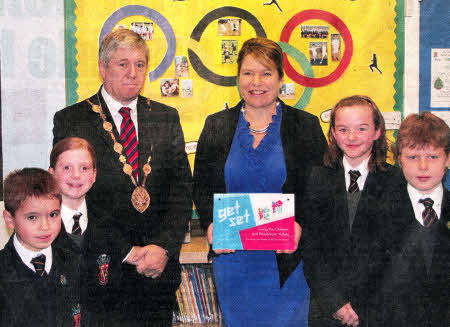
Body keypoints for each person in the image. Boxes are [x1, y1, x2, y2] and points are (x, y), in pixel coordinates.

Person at [52, 28, 192, 326]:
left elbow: (181, 190)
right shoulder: (72, 120)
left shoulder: (166, 117)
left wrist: (164, 248)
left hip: (157, 273)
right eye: (122, 64)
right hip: (101, 271)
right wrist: (127, 251)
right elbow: (73, 197)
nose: (132, 73)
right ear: (103, 68)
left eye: (140, 64)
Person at [193, 37, 327, 327]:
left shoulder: (305, 126)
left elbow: (320, 190)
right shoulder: (216, 125)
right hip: (233, 260)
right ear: (238, 77)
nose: (257, 82)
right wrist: (210, 223)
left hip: (286, 262)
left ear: (280, 78)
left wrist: (300, 224)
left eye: (266, 73)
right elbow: (201, 185)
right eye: (248, 73)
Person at [301, 95, 401, 327]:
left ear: (377, 131)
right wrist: (334, 303)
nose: (352, 137)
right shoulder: (318, 178)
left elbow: (396, 253)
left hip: (378, 308)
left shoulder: (396, 181)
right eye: (343, 129)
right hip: (327, 309)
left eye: (361, 128)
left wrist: (363, 304)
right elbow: (311, 249)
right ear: (333, 134)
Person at [49, 137, 153, 325]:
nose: (76, 175)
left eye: (84, 168)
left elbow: (118, 294)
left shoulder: (109, 225)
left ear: (95, 175)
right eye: (66, 168)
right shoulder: (38, 227)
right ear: (52, 174)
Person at [371, 112, 450, 327]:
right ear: (398, 160)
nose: (423, 167)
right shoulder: (376, 210)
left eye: (433, 157)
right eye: (413, 157)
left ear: (448, 159)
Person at [0, 168, 82, 327]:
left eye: (53, 215)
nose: (45, 227)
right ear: (9, 220)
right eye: (32, 217)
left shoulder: (76, 262)